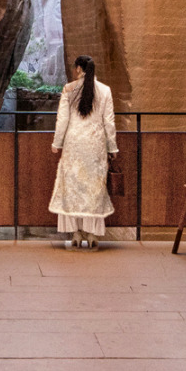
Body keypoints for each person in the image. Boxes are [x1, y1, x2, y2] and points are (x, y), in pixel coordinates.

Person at [49, 55, 118, 250]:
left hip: (74, 145)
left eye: (74, 68)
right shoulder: (105, 91)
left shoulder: (69, 90)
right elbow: (109, 122)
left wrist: (57, 143)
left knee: (72, 187)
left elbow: (62, 120)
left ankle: (76, 233)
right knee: (94, 188)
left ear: (79, 69)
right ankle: (92, 234)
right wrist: (112, 147)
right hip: (95, 145)